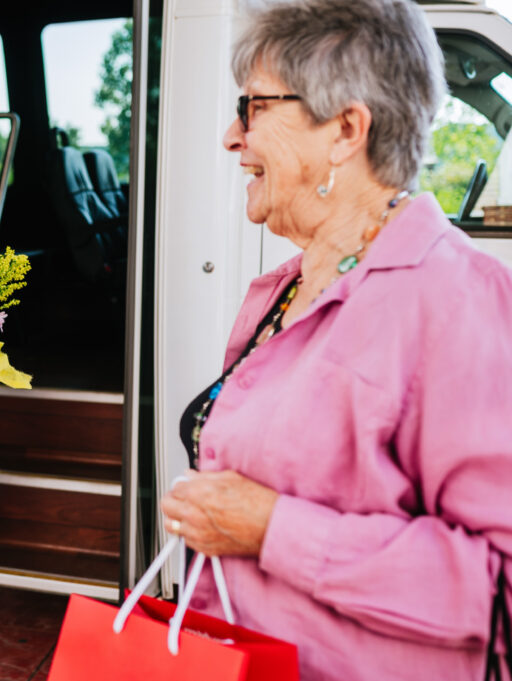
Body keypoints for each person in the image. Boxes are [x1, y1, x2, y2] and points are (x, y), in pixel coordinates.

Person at [160, 1, 512, 679]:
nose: (233, 137)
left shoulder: (458, 300)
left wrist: (273, 528)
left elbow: (499, 584)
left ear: (347, 129)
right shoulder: (280, 291)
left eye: (254, 106)